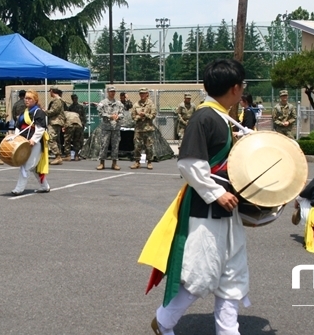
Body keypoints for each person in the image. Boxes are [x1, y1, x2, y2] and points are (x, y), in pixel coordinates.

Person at [140, 59, 249, 335]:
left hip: (226, 208)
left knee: (231, 275)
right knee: (200, 274)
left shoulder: (222, 117)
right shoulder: (205, 116)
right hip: (206, 209)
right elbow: (189, 163)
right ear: (235, 88)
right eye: (242, 85)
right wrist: (215, 193)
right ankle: (163, 322)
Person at [11, 90, 50, 195]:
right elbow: (18, 127)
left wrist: (33, 140)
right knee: (34, 167)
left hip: (35, 143)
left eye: (29, 98)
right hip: (23, 142)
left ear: (35, 100)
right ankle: (44, 186)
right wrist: (16, 139)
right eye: (26, 98)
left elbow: (40, 129)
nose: (27, 100)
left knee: (26, 165)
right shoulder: (24, 112)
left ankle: (19, 188)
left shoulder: (39, 112)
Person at [96, 86, 124, 170]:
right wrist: (110, 116)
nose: (112, 93)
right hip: (106, 128)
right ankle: (102, 163)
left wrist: (118, 116)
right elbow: (100, 113)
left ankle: (114, 163)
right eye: (111, 91)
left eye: (114, 91)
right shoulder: (103, 103)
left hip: (115, 128)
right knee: (104, 145)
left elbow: (122, 113)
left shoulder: (119, 103)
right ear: (107, 92)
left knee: (115, 146)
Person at [130, 88, 157, 170]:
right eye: (141, 93)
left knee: (149, 147)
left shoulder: (151, 104)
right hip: (139, 129)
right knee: (137, 146)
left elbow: (153, 115)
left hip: (148, 129)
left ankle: (149, 162)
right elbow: (133, 117)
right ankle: (137, 162)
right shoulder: (136, 105)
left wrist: (145, 114)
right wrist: (139, 116)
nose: (142, 95)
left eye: (144, 93)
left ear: (147, 94)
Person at [46, 88, 66, 165]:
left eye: (50, 92)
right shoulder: (59, 100)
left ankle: (57, 156)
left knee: (51, 138)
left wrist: (44, 111)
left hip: (55, 121)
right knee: (56, 139)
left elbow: (53, 111)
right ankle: (58, 156)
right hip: (57, 121)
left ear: (52, 91)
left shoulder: (57, 100)